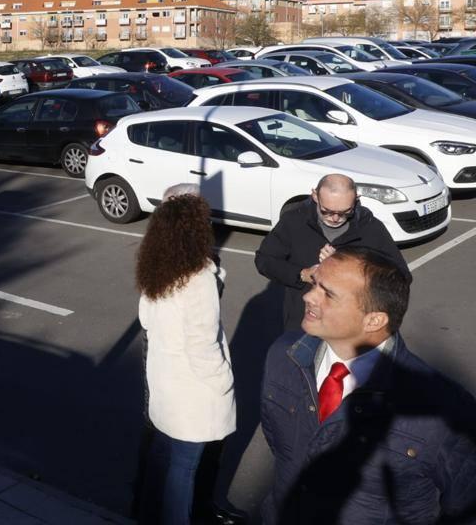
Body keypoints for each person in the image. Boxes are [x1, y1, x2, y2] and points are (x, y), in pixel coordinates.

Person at [260, 247, 476, 523]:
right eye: (315, 284)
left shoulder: (443, 407)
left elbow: (467, 506)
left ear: (374, 320)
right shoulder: (283, 355)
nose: (308, 296)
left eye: (328, 294)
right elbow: (281, 445)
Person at [136, 194, 237, 524]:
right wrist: (223, 382)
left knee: (166, 465)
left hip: (166, 384)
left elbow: (147, 321)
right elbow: (203, 343)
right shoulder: (197, 278)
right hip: (194, 394)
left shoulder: (157, 268)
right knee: (184, 471)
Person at [254, 174, 410, 332]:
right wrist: (302, 274)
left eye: (344, 212)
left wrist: (344, 264)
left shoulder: (371, 228)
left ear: (356, 199)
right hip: (303, 323)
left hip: (349, 328)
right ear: (315, 196)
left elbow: (401, 277)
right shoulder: (294, 221)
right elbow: (264, 260)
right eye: (326, 211)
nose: (335, 218)